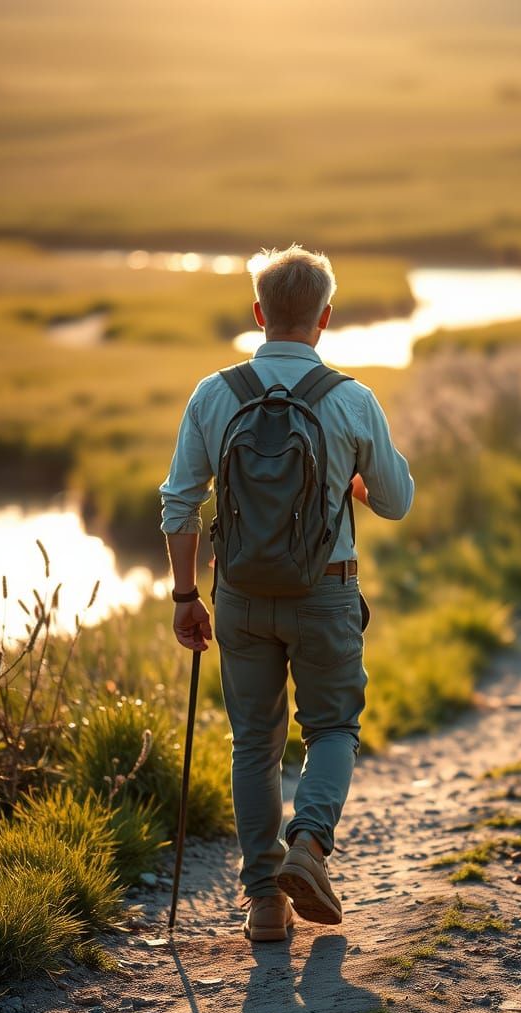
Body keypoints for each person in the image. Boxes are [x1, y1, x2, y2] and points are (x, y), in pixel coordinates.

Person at [159, 244, 414, 941]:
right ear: (325, 317)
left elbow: (179, 505)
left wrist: (186, 596)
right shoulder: (352, 399)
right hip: (326, 594)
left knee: (254, 746)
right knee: (331, 728)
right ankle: (311, 845)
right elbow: (396, 501)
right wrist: (356, 480)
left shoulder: (214, 394)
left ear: (258, 313)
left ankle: (265, 903)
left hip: (237, 596)